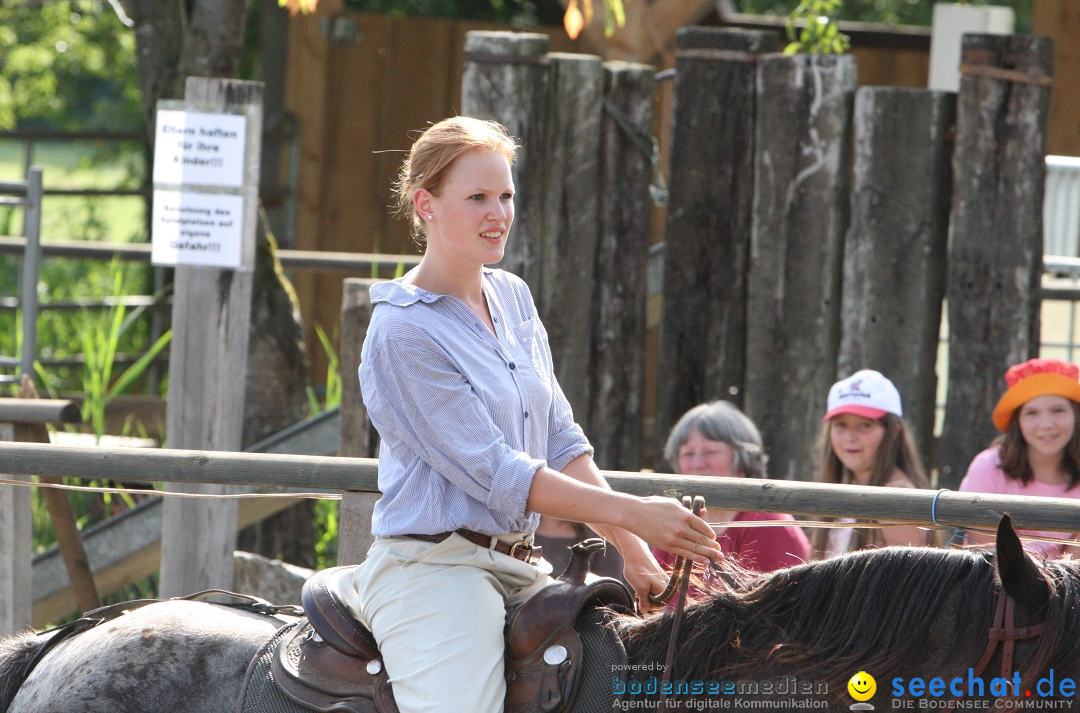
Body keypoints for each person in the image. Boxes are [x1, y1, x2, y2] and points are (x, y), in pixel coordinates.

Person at [333, 116, 721, 713]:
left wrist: (634, 551)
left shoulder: (512, 296)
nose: (500, 213)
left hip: (522, 563)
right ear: (425, 205)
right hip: (433, 569)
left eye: (506, 195)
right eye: (478, 197)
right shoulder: (401, 330)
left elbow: (562, 439)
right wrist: (639, 514)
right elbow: (501, 473)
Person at [654, 400, 810, 575]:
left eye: (710, 452)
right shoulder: (676, 523)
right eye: (688, 454)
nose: (697, 464)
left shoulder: (766, 522)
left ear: (741, 458)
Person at [959, 357, 1080, 559]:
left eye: (1058, 410)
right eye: (1032, 413)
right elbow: (983, 554)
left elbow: (1075, 567)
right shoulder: (988, 467)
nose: (1046, 424)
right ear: (1018, 422)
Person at [815, 369, 934, 556]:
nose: (850, 437)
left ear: (894, 433)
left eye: (865, 425)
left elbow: (903, 581)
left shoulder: (899, 499)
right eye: (840, 424)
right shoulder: (848, 488)